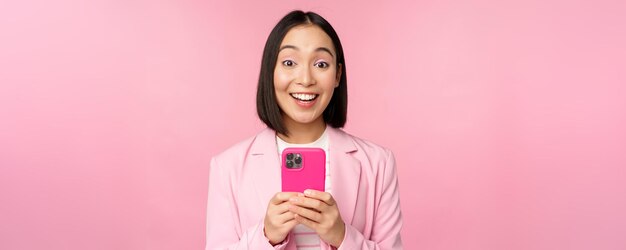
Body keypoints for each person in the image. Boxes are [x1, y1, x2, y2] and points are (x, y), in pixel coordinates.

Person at [205, 10, 402, 250]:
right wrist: (266, 237)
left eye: (321, 64)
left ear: (337, 75)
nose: (306, 79)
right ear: (271, 71)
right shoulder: (227, 167)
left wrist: (342, 236)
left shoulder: (378, 163)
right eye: (289, 62)